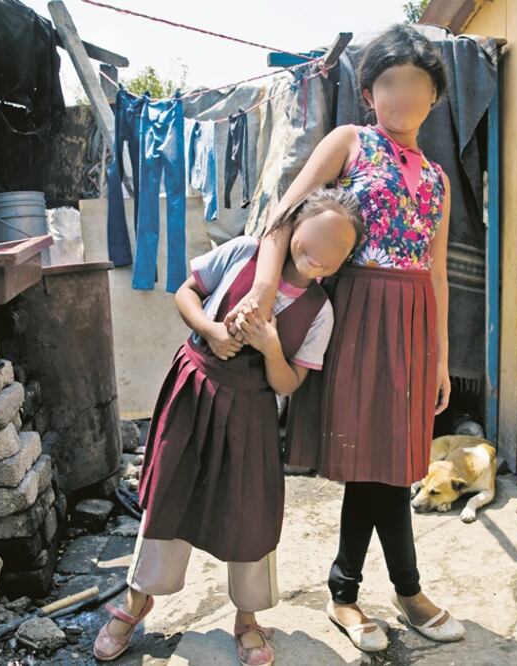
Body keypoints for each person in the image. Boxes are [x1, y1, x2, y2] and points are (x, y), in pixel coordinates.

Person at [223, 24, 465, 652]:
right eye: (389, 83)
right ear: (369, 92)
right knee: (375, 464)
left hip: (412, 321)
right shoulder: (349, 142)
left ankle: (351, 591)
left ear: (434, 97)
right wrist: (261, 291)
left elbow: (436, 271)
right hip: (357, 316)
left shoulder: (437, 179)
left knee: (390, 466)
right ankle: (393, 592)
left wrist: (439, 357)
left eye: (416, 84)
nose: (403, 95)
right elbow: (284, 219)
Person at [93, 188, 365, 665]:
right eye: (313, 238)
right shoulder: (245, 253)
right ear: (292, 228)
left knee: (250, 512)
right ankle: (138, 600)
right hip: (195, 391)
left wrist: (270, 346)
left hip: (252, 414)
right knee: (169, 497)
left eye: (335, 251)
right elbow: (186, 291)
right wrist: (211, 330)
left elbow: (290, 382)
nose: (319, 255)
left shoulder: (320, 311)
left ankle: (248, 617)